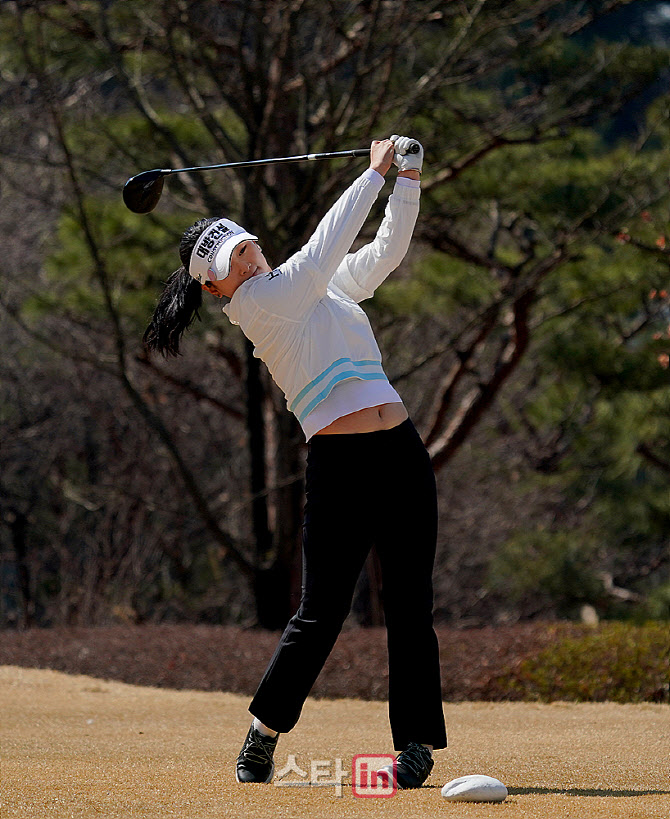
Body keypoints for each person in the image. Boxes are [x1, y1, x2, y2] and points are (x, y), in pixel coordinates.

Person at [143, 136, 447, 789]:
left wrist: (408, 178)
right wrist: (371, 176)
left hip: (400, 450)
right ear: (214, 286)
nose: (249, 262)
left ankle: (414, 743)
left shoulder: (320, 290)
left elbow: (383, 254)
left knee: (411, 603)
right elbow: (316, 259)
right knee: (321, 611)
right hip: (340, 463)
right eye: (234, 261)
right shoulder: (258, 306)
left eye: (249, 248)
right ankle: (263, 734)